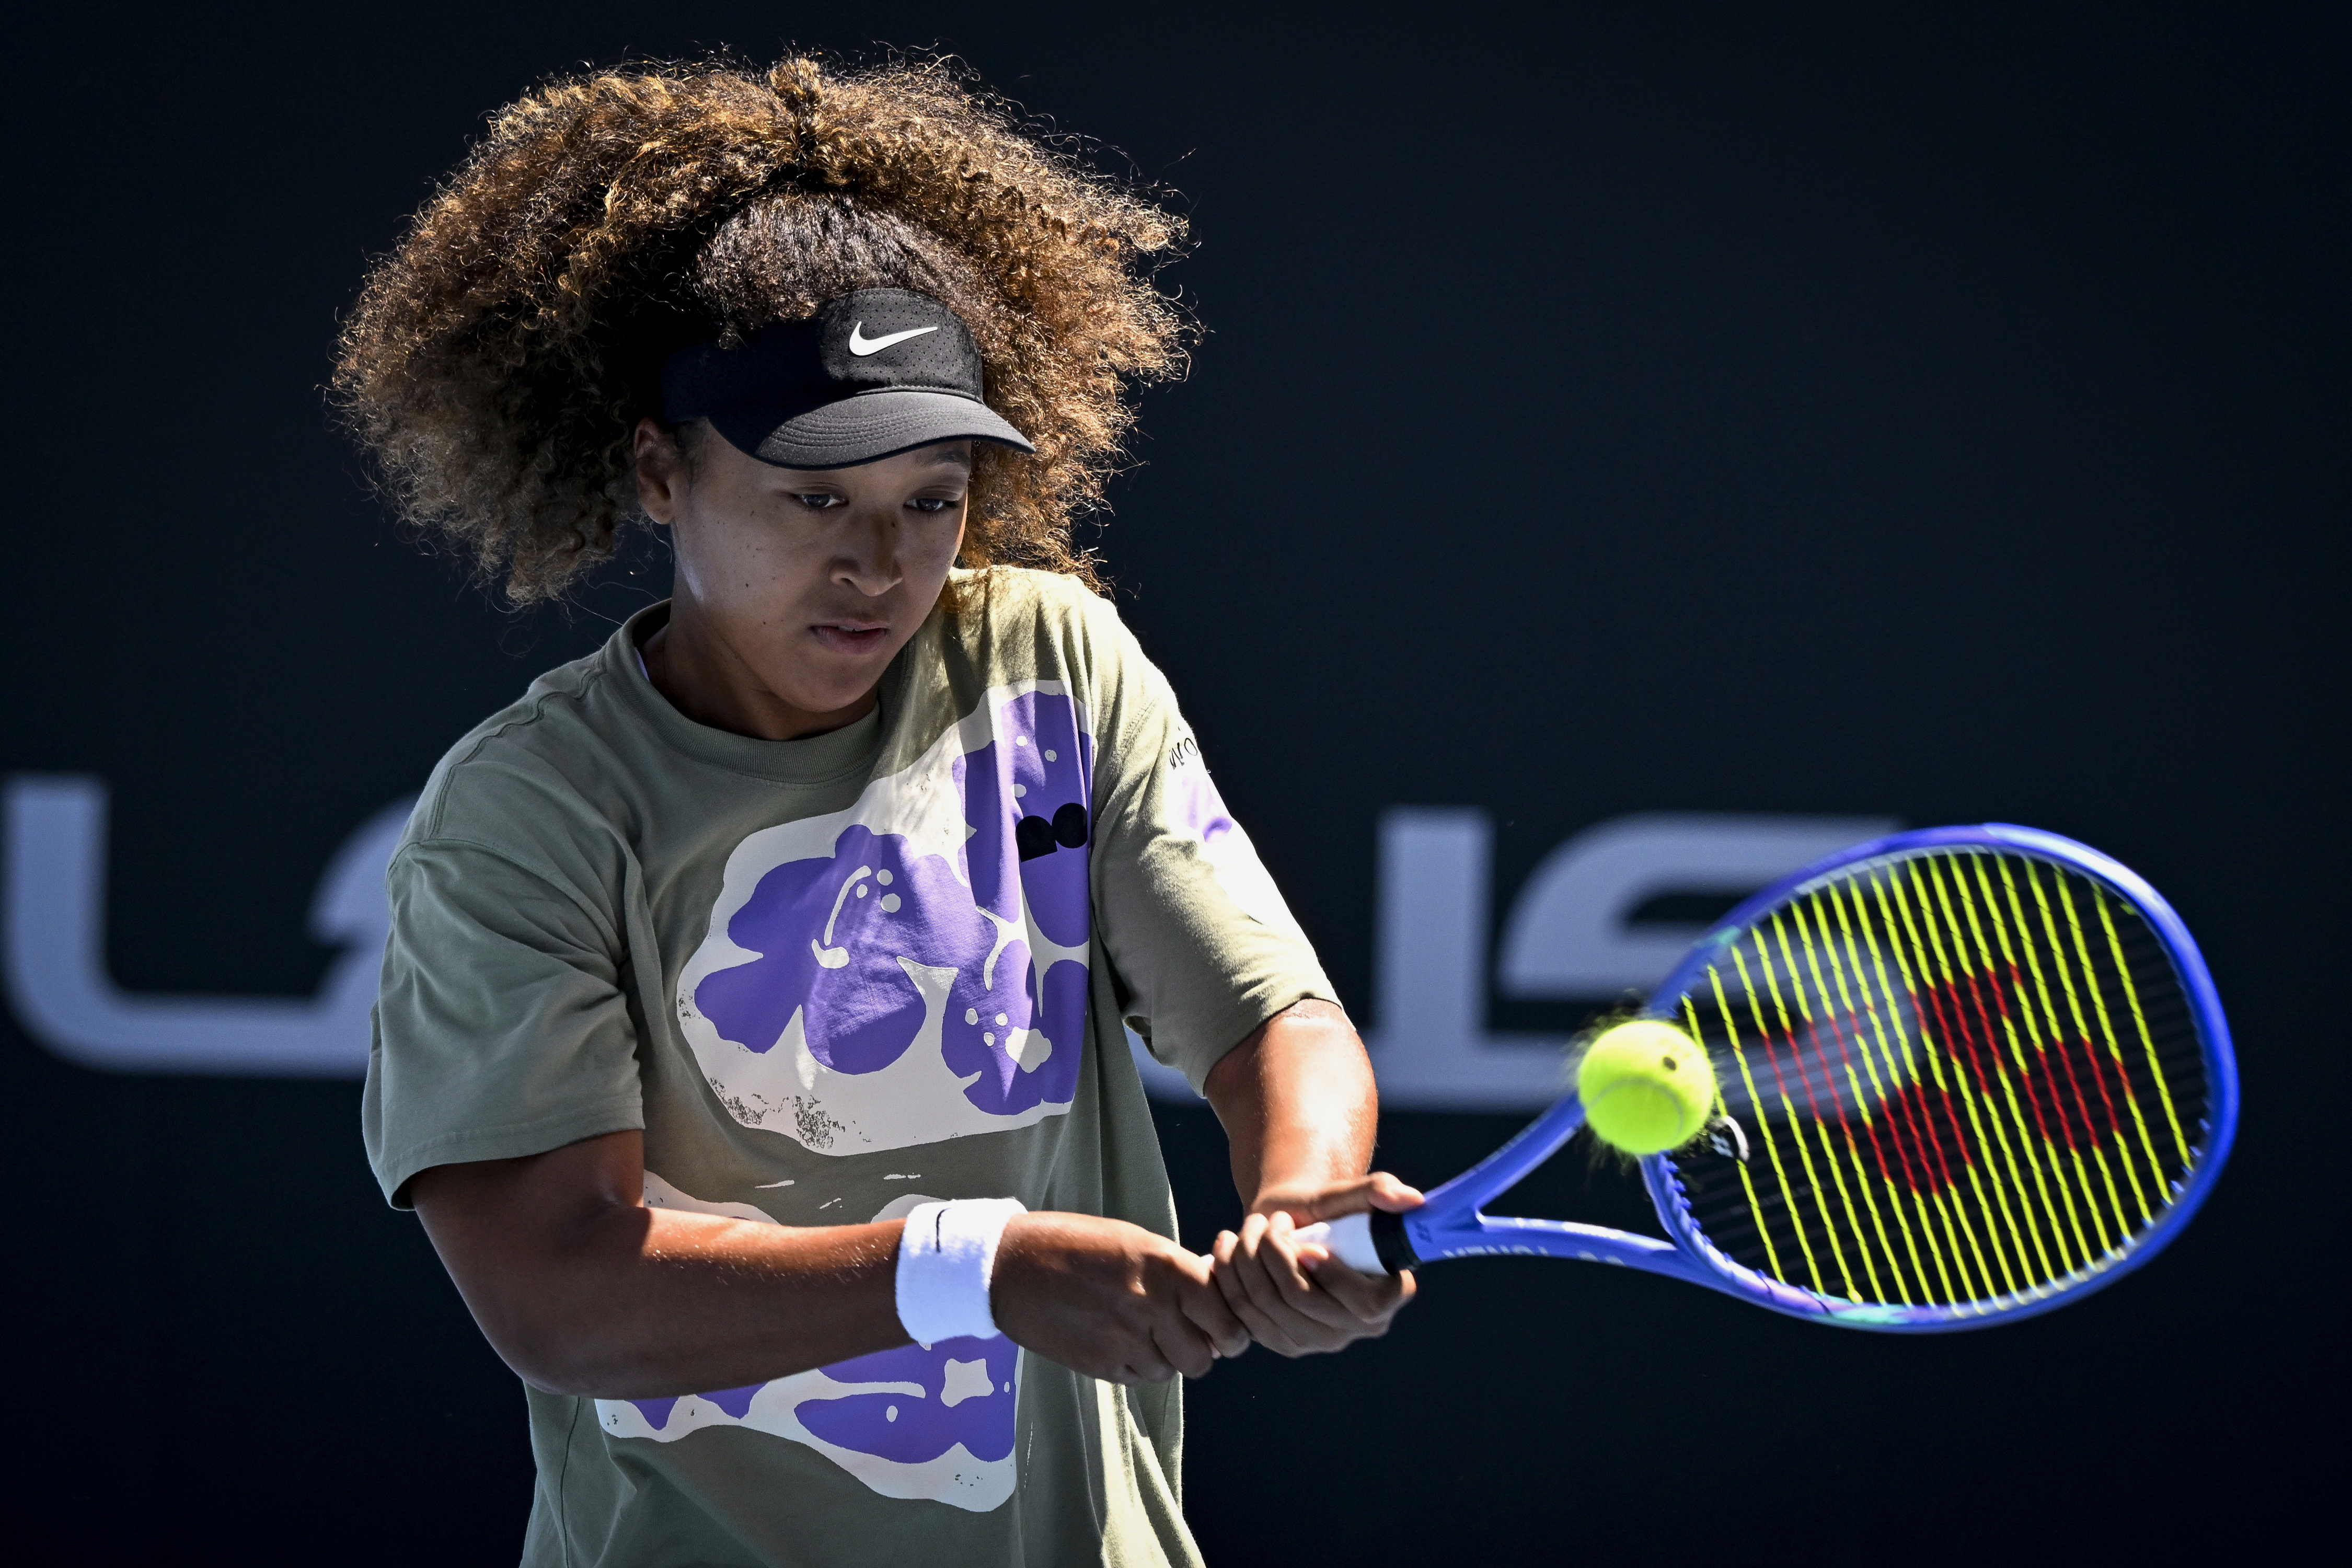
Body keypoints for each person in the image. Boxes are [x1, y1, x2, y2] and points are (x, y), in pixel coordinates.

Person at [337, 55, 1418, 1565]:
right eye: (814, 496)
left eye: (932, 497)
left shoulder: (1050, 660)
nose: (880, 565)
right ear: (660, 471)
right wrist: (970, 1264)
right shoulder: (526, 814)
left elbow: (1264, 1018)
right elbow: (559, 1296)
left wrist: (1301, 1197)